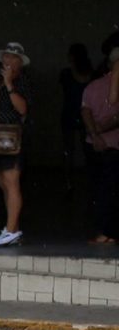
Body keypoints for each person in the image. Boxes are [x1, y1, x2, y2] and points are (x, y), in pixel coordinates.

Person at [0, 43, 33, 246]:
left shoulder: (21, 81)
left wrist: (10, 84)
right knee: (2, 182)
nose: (8, 61)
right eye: (6, 56)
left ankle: (12, 229)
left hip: (12, 136)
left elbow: (22, 108)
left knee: (11, 181)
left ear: (20, 62)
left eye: (13, 57)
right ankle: (11, 228)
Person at [84, 57, 119, 246]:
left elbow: (86, 111)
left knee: (103, 189)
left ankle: (107, 231)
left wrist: (95, 133)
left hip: (101, 144)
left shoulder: (94, 86)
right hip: (113, 144)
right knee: (108, 189)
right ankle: (108, 230)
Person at [58, 43, 94, 185]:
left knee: (69, 150)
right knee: (88, 149)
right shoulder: (91, 73)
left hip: (70, 113)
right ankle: (90, 180)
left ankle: (69, 182)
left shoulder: (66, 74)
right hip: (85, 114)